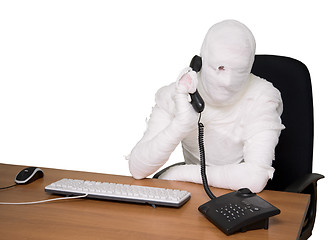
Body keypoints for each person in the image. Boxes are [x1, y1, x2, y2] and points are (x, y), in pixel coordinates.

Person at [127, 20, 285, 193]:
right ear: (201, 59)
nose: (228, 82)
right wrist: (180, 124)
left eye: (240, 71)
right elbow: (138, 169)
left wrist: (179, 172)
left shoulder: (263, 96)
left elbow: (254, 179)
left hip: (240, 200)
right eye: (220, 68)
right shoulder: (176, 94)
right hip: (193, 195)